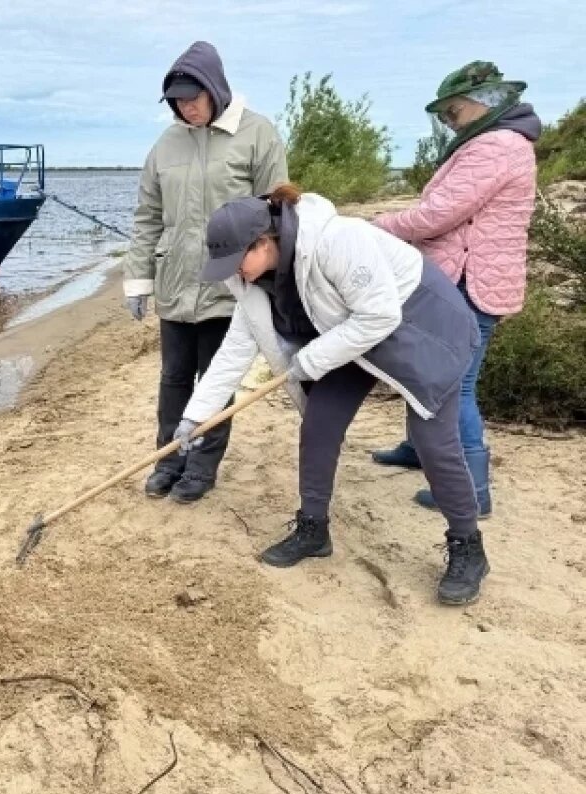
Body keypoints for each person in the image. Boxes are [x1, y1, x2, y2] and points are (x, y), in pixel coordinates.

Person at [176, 184, 489, 605]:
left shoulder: (336, 240)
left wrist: (309, 360)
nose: (233, 273)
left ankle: (468, 546)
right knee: (320, 425)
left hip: (421, 323)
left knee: (433, 441)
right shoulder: (248, 280)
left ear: (263, 242)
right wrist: (196, 415)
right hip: (347, 332)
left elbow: (379, 315)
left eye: (236, 262)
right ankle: (313, 529)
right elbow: (235, 350)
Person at [369, 61, 540, 518]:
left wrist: (376, 227)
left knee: (454, 385)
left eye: (453, 111)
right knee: (423, 371)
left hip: (468, 281)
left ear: (485, 102)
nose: (448, 121)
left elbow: (437, 215)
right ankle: (419, 449)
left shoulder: (495, 145)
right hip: (465, 278)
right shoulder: (498, 141)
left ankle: (472, 491)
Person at [123, 41, 288, 504]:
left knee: (216, 378)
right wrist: (138, 279)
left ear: (215, 89)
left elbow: (276, 213)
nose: (186, 108)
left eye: (193, 98)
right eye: (177, 101)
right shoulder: (165, 145)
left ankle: (201, 467)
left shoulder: (257, 134)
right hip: (176, 282)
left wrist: (271, 283)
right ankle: (168, 460)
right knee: (173, 377)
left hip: (231, 282)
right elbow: (147, 218)